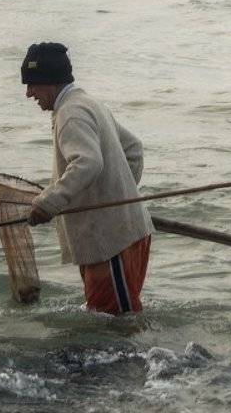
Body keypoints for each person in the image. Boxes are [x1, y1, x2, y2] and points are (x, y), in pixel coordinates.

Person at [21, 41, 154, 315]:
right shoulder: (89, 103)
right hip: (128, 235)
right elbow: (134, 150)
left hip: (110, 244)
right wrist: (118, 199)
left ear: (50, 81)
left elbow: (87, 163)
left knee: (113, 324)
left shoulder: (70, 113)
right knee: (114, 317)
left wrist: (48, 203)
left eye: (32, 84)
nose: (29, 93)